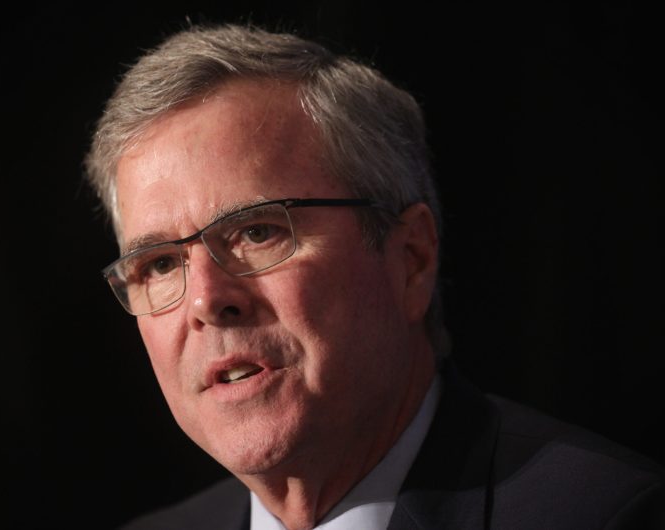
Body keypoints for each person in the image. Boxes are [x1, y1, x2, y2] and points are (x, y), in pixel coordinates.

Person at [85, 24, 664, 530]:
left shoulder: (605, 514)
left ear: (410, 258)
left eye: (257, 232)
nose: (207, 299)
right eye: (160, 263)